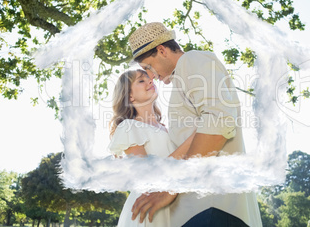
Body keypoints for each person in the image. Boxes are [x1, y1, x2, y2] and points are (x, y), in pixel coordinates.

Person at [128, 22, 263, 226]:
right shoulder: (181, 80)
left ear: (162, 50)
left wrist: (170, 188)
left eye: (148, 67)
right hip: (196, 211)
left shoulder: (192, 60)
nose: (151, 75)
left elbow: (219, 120)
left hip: (212, 208)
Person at [108, 69, 195, 226]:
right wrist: (193, 139)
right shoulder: (129, 126)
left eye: (149, 79)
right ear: (130, 96)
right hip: (147, 211)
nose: (150, 81)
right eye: (141, 80)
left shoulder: (167, 129)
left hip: (174, 208)